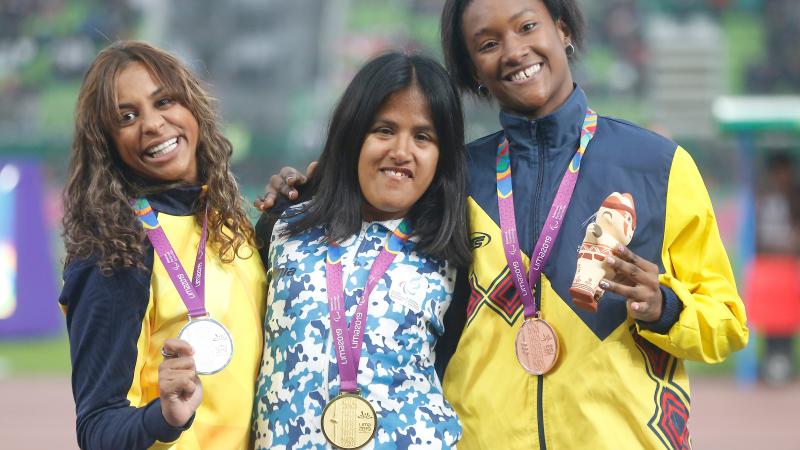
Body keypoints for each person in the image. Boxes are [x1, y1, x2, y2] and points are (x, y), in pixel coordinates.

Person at [256, 1, 749, 448]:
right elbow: (366, 230)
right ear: (474, 70)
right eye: (488, 44)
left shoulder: (657, 167)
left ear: (562, 30)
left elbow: (727, 323)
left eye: (527, 26)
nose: (513, 51)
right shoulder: (450, 178)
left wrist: (664, 306)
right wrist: (303, 190)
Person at [251, 52, 471, 449]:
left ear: (443, 156)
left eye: (423, 136)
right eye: (384, 130)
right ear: (353, 135)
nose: (401, 151)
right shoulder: (284, 226)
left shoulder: (451, 255)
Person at [59, 40, 266, 450]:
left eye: (164, 101)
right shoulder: (115, 251)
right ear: (107, 144)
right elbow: (98, 427)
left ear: (193, 108)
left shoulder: (227, 222)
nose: (152, 124)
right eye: (127, 117)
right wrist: (163, 416)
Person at [747, 150, 800, 385]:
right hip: (767, 265)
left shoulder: (795, 195)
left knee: (787, 318)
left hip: (788, 264)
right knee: (768, 318)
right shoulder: (761, 195)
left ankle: (784, 363)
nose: (782, 177)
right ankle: (769, 364)